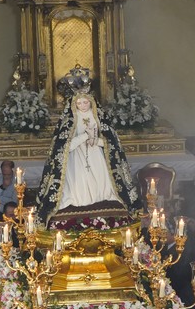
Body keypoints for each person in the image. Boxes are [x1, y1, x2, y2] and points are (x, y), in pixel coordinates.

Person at [36, 84, 141, 224]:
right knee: (79, 188)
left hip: (96, 155)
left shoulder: (99, 117)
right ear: (74, 104)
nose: (83, 106)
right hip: (76, 159)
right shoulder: (70, 121)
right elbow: (65, 147)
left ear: (91, 102)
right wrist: (85, 136)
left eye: (85, 102)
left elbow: (111, 143)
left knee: (102, 181)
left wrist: (96, 140)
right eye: (79, 103)